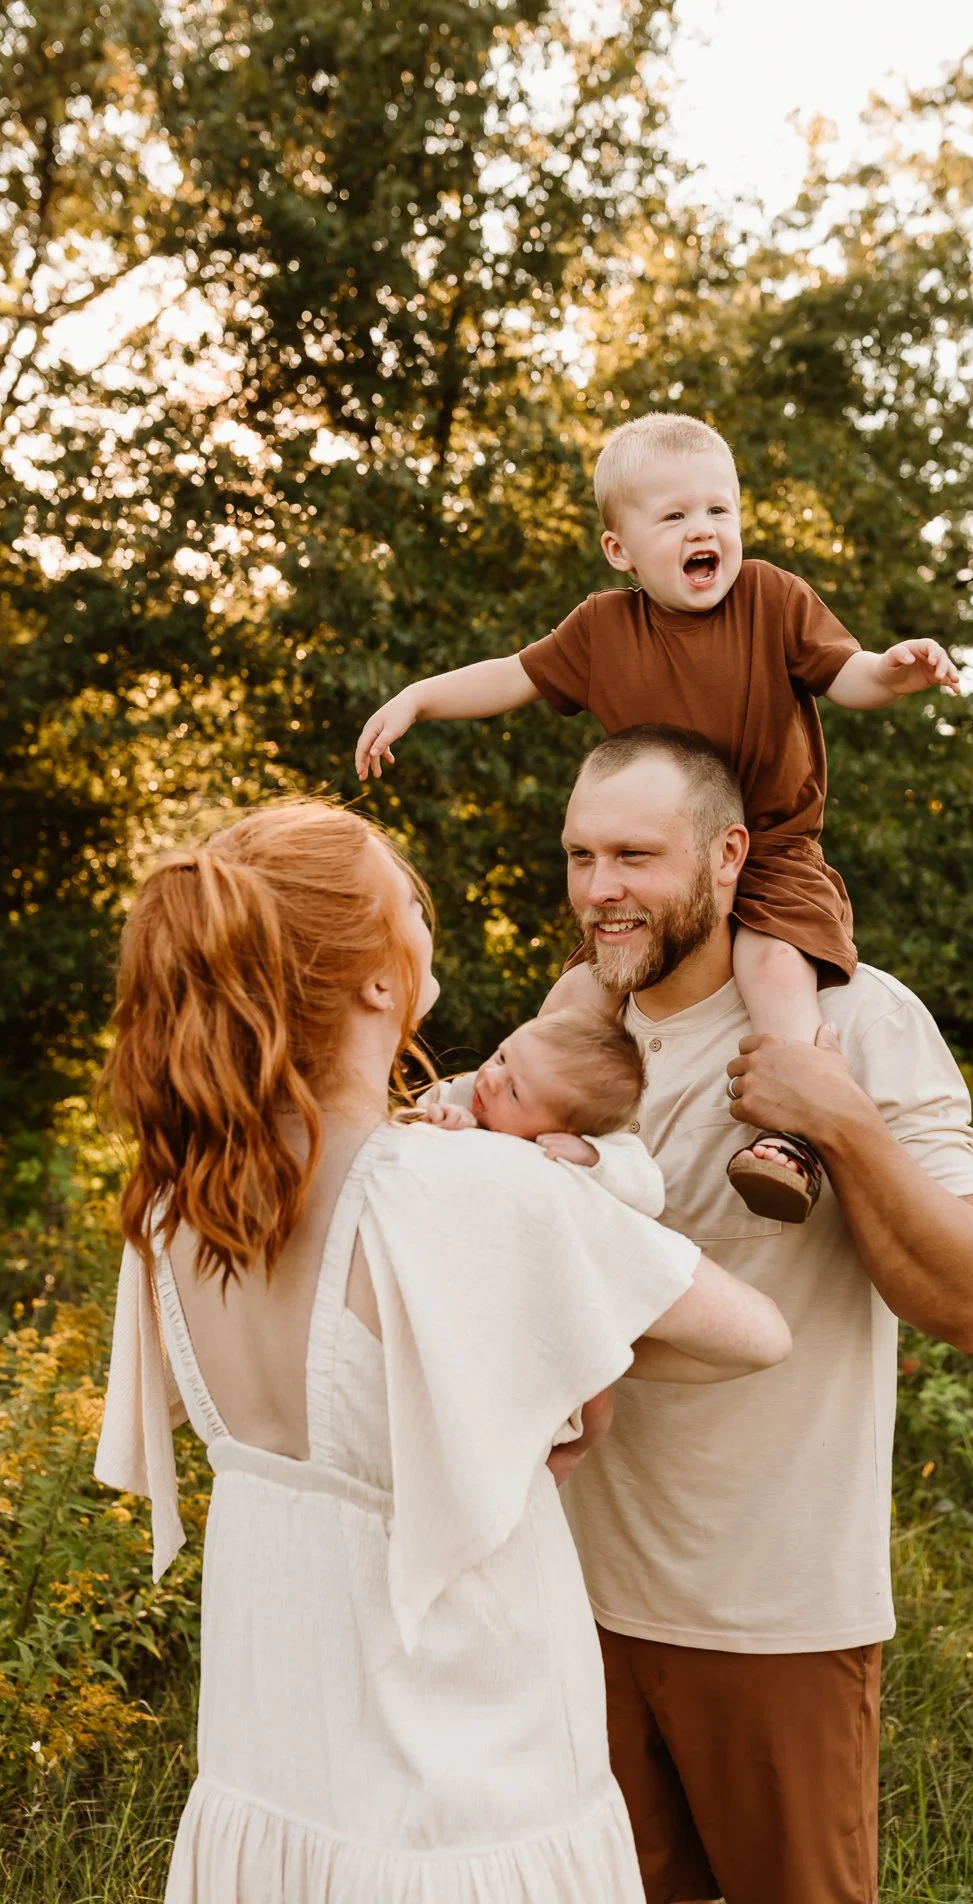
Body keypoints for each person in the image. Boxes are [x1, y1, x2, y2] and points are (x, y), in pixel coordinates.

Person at [93, 798, 791, 1904]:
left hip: (276, 1773)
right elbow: (756, 1333)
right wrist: (554, 1347)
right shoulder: (468, 1193)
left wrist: (523, 1343)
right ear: (379, 976)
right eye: (408, 897)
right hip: (469, 1795)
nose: (426, 914)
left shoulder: (183, 1205)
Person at [551, 726, 973, 1904]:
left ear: (726, 856)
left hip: (777, 1617)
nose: (602, 890)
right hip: (571, 1605)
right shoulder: (571, 1040)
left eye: (635, 856)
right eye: (581, 855)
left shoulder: (854, 1019)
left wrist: (840, 1118)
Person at [353, 410, 960, 1225]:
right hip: (650, 861)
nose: (702, 530)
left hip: (771, 842)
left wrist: (892, 671)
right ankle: (489, 1115)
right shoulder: (602, 629)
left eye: (719, 511)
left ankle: (791, 1139)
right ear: (620, 551)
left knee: (774, 970)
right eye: (673, 517)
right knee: (577, 999)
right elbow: (511, 676)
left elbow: (843, 673)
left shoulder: (772, 599)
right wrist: (418, 698)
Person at [421, 1010, 662, 1215]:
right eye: (502, 1057)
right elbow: (416, 1116)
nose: (491, 1077)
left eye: (514, 1091)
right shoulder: (468, 1092)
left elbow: (652, 1195)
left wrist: (591, 1156)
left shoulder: (601, 1146)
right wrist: (439, 1119)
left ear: (566, 1130)